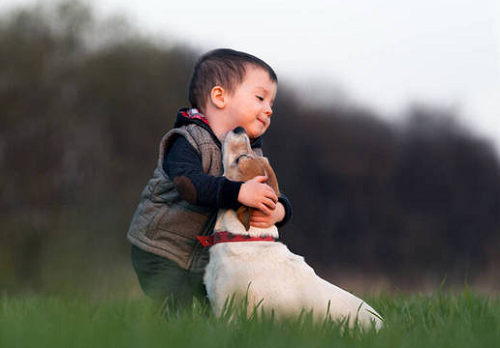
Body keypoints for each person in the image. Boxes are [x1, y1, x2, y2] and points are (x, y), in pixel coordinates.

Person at [127, 48, 292, 311]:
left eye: (272, 103)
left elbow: (271, 189)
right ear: (219, 96)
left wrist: (280, 211)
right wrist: (238, 192)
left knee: (215, 313)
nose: (268, 109)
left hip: (205, 259)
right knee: (175, 308)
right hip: (160, 249)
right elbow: (189, 185)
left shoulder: (250, 152)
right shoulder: (187, 139)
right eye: (260, 97)